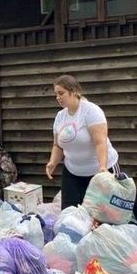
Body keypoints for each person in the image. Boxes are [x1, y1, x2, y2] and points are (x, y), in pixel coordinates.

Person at [45, 75, 119, 209]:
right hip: (73, 170)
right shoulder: (60, 116)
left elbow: (100, 142)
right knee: (69, 212)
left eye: (61, 93)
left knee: (102, 214)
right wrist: (52, 162)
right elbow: (57, 145)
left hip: (98, 171)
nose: (58, 97)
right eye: (56, 94)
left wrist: (102, 167)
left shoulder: (91, 111)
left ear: (73, 92)